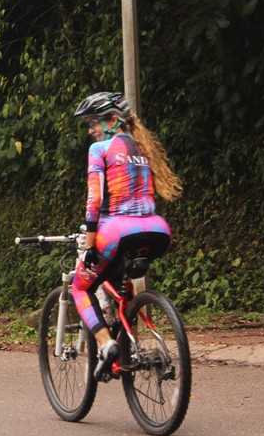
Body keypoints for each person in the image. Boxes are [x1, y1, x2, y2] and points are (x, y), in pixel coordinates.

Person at [70, 92, 183, 379]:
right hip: (157, 231)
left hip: (117, 231)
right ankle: (127, 347)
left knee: (80, 287)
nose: (90, 130)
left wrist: (91, 240)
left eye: (93, 123)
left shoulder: (100, 149)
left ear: (112, 120)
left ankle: (106, 344)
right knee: (121, 286)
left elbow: (94, 199)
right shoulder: (144, 148)